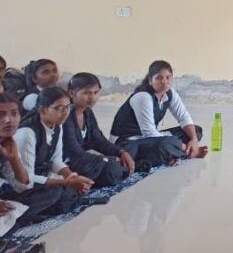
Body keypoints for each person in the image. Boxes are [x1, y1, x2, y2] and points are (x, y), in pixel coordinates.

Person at [4, 88, 97, 222]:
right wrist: (66, 182)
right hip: (14, 187)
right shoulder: (27, 133)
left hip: (33, 179)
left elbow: (55, 159)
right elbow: (25, 182)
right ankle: (18, 215)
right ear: (43, 110)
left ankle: (27, 212)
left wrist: (71, 177)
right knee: (55, 191)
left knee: (67, 191)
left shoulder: (57, 125)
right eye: (59, 108)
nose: (65, 112)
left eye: (67, 107)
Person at [109, 61, 207, 170]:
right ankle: (184, 153)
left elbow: (183, 117)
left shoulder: (170, 93)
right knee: (165, 144)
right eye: (159, 78)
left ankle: (170, 154)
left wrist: (193, 140)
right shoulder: (143, 96)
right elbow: (149, 132)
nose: (164, 82)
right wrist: (185, 147)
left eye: (168, 77)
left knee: (196, 131)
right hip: (126, 144)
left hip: (148, 139)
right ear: (150, 80)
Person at [63, 73, 134, 188]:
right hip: (67, 164)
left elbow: (99, 140)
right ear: (72, 93)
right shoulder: (65, 115)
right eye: (86, 93)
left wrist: (121, 152)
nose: (92, 97)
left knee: (126, 154)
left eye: (95, 92)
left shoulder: (87, 112)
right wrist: (107, 159)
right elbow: (74, 151)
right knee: (111, 169)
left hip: (85, 160)